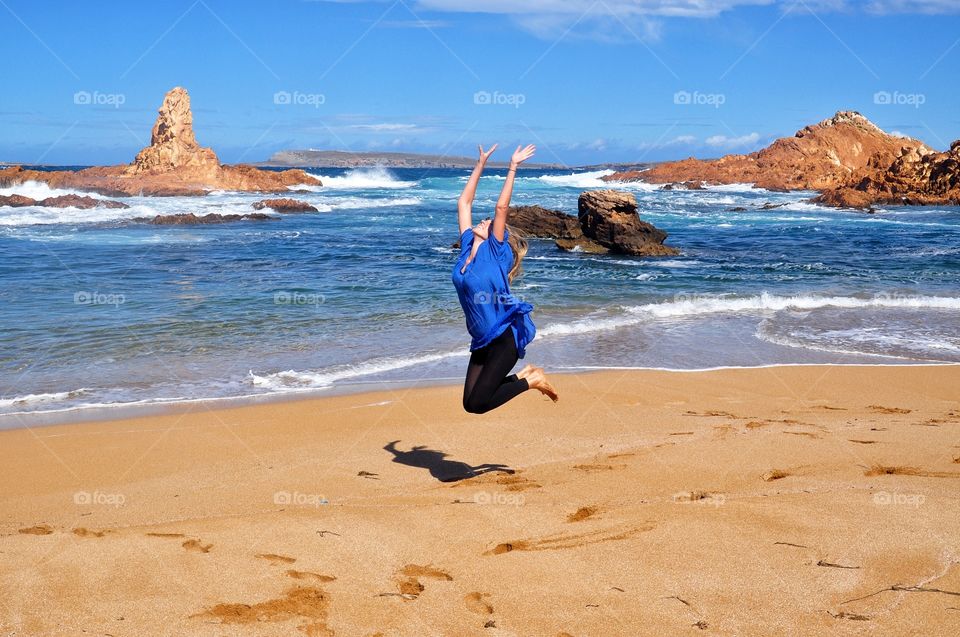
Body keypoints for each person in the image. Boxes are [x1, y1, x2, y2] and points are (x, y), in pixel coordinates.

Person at [451, 143, 558, 414]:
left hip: (503, 340)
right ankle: (529, 376)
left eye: (488, 224)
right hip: (482, 340)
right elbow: (464, 203)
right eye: (483, 221)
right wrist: (480, 163)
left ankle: (531, 379)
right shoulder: (466, 248)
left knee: (479, 403)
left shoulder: (496, 252)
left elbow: (501, 208)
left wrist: (512, 166)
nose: (484, 222)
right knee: (470, 404)